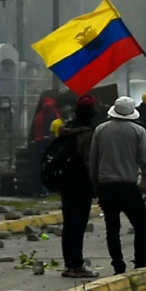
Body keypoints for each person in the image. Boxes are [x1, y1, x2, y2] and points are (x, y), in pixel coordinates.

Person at [89, 96, 146, 274]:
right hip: (128, 186)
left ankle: (118, 264)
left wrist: (96, 186)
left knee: (112, 228)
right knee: (141, 226)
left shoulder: (100, 130)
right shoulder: (138, 131)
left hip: (106, 187)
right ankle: (140, 263)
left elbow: (93, 162)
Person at [55, 95, 99, 278]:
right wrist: (95, 186)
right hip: (81, 183)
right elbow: (89, 163)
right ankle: (77, 265)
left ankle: (69, 263)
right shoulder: (87, 135)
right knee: (79, 224)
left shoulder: (65, 131)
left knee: (68, 223)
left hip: (66, 182)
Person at [31, 97, 60, 196]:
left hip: (38, 143)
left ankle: (37, 189)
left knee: (38, 167)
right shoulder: (54, 115)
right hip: (50, 143)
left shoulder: (38, 116)